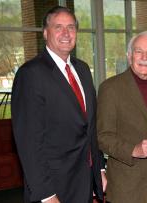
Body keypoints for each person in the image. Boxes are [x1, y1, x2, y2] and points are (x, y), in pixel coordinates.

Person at [11, 6, 106, 203]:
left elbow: (90, 128)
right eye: (58, 27)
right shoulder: (31, 74)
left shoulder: (83, 70)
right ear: (45, 33)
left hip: (85, 182)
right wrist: (46, 194)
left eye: (71, 27)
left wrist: (100, 169)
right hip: (53, 188)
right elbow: (29, 143)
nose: (66, 33)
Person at [97, 31, 147, 203]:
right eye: (139, 51)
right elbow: (103, 136)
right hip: (127, 188)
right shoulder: (110, 88)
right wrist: (133, 150)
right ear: (129, 55)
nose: (144, 57)